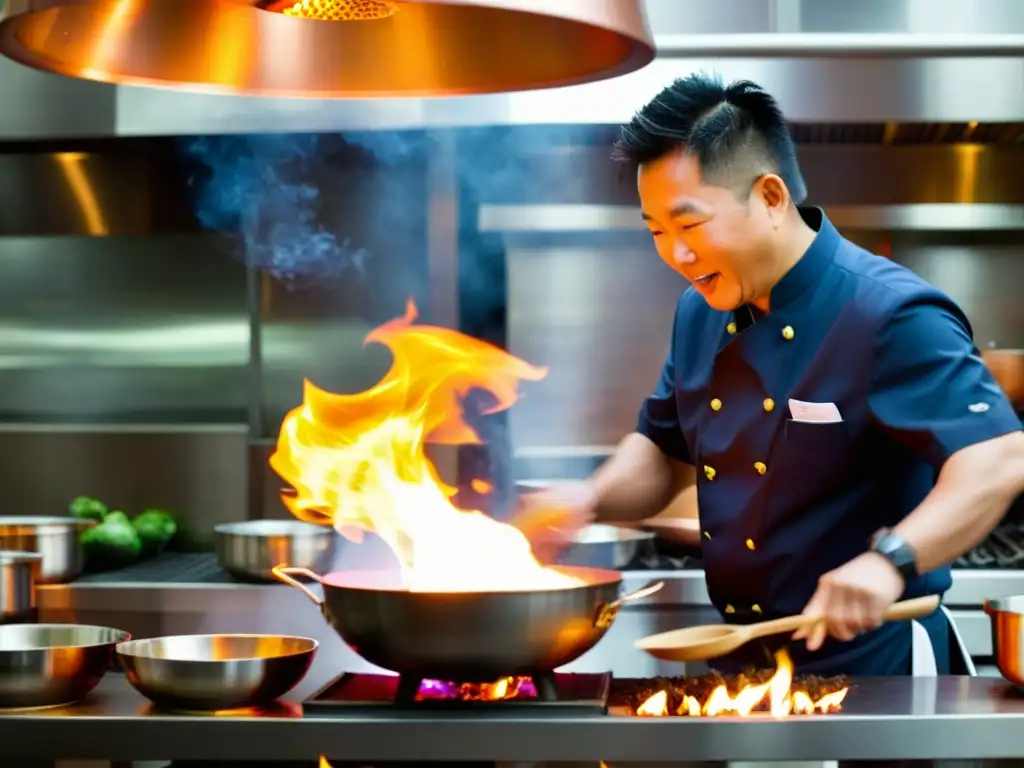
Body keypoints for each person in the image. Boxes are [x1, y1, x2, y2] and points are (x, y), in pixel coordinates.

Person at [513, 74, 1024, 676]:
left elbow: (998, 458)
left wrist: (891, 562)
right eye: (656, 231)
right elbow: (663, 449)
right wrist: (588, 498)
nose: (675, 254)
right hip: (743, 659)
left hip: (874, 666)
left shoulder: (886, 313)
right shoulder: (699, 312)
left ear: (772, 197)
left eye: (690, 224)